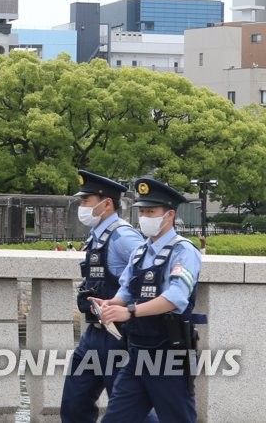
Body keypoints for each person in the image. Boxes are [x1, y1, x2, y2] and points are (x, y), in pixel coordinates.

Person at [92, 178, 205, 423]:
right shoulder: (140, 251)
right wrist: (111, 304)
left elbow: (175, 298)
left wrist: (130, 312)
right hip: (138, 352)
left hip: (168, 355)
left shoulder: (183, 251)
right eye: (142, 211)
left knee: (178, 418)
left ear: (170, 215)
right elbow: (126, 290)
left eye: (151, 212)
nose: (144, 217)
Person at [60, 170, 150, 423]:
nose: (81, 206)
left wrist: (128, 310)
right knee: (74, 404)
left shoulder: (124, 237)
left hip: (121, 335)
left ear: (106, 203)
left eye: (86, 201)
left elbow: (150, 280)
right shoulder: (96, 236)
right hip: (94, 335)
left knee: (128, 409)